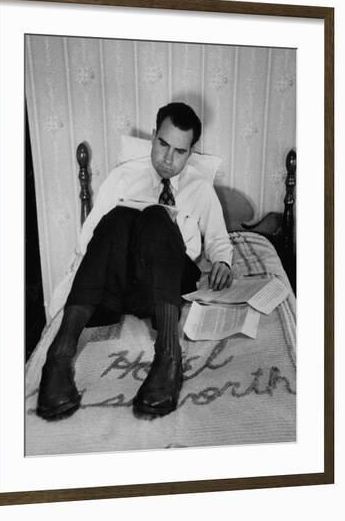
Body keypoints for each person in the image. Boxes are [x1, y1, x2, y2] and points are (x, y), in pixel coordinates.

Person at [36, 102, 233, 421]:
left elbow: (218, 240)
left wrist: (222, 262)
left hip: (169, 285)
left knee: (157, 216)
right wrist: (76, 282)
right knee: (117, 218)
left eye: (179, 152)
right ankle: (59, 355)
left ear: (191, 152)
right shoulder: (122, 176)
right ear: (153, 137)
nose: (168, 159)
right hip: (120, 285)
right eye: (163, 145)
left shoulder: (201, 188)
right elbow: (91, 239)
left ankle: (169, 356)